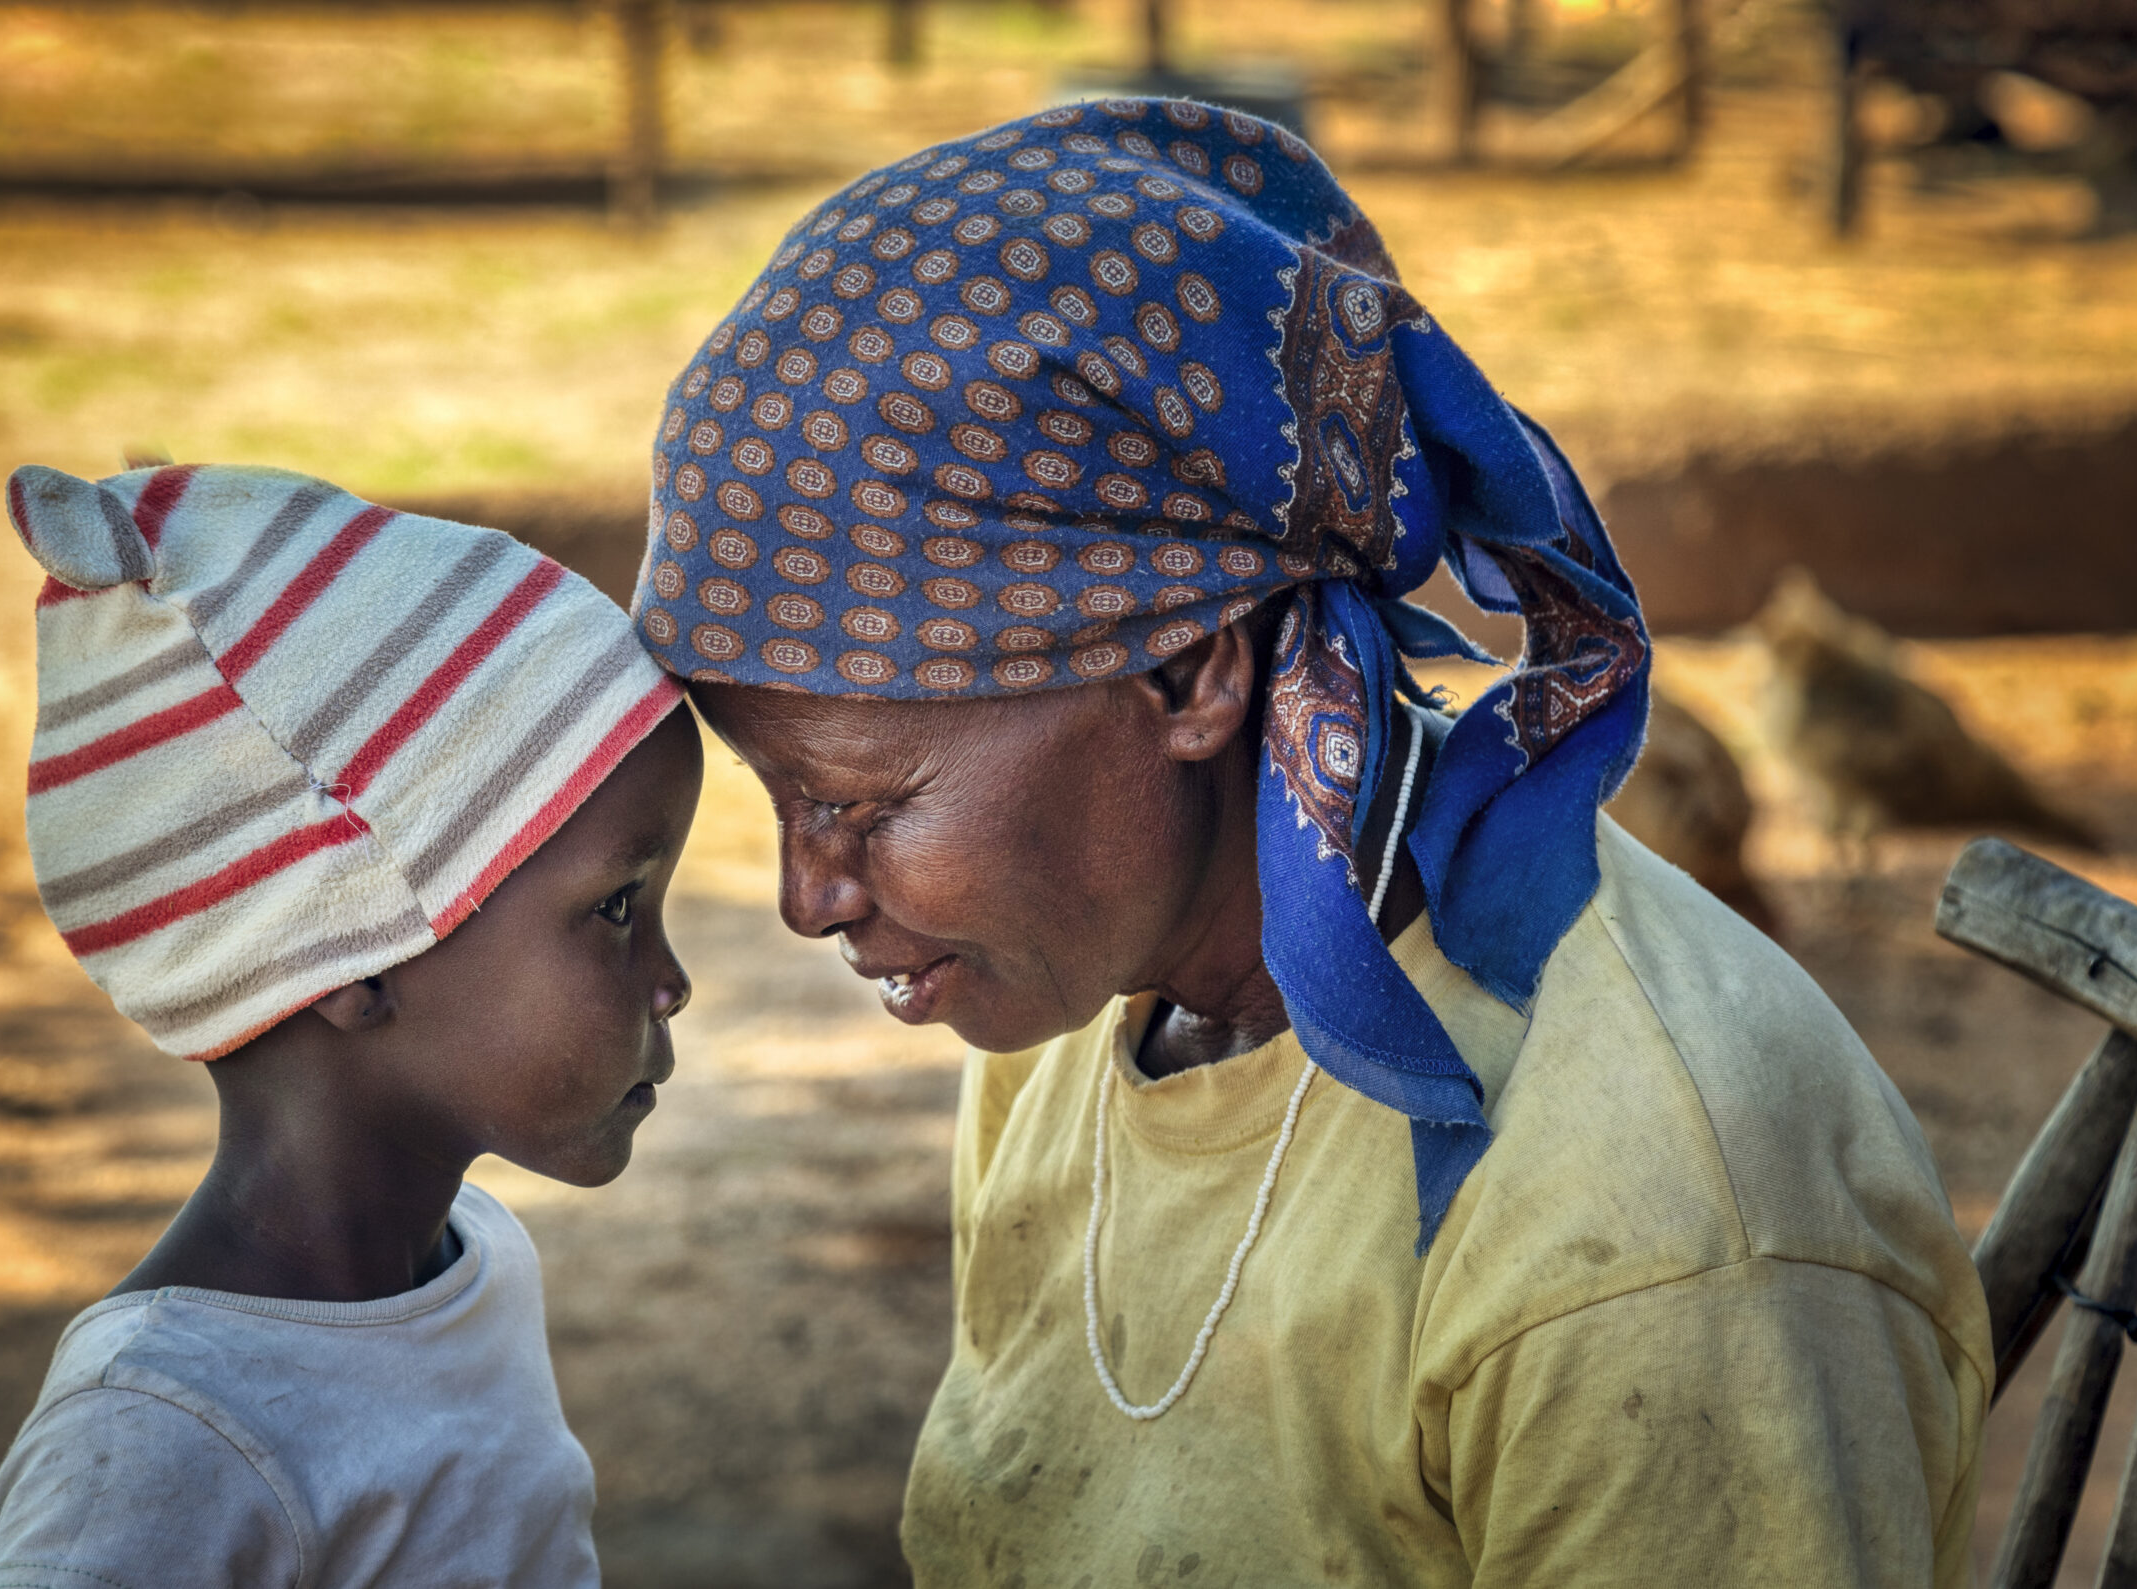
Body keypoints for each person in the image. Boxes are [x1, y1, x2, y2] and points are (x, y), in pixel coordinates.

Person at [633, 101, 1991, 1585]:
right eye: (779, 799)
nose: (804, 898)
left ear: (1190, 675)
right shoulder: (1071, 1021)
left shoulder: (1659, 1225)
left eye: (866, 803)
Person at [0, 462, 697, 1589]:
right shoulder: (161, 1434)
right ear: (350, 951)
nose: (673, 979)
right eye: (616, 908)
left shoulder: (473, 1262)